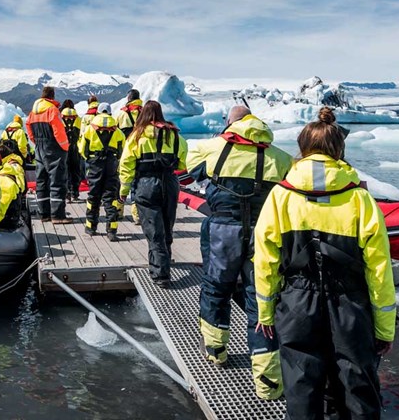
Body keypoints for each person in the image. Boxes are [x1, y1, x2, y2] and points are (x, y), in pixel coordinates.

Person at [254, 107, 396, 419]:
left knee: (302, 386)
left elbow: (265, 260)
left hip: (296, 303)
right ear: (339, 149)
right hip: (350, 306)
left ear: (302, 148)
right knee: (357, 387)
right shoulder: (360, 199)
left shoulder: (280, 196)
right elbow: (379, 269)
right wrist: (384, 329)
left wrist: (265, 313)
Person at [186, 106, 294, 400]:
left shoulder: (211, 147)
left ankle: (216, 350)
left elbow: (191, 171)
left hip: (222, 231)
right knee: (261, 302)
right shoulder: (281, 158)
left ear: (230, 124)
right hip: (264, 237)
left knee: (215, 289)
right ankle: (268, 382)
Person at [119, 100, 187, 286]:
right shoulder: (175, 135)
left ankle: (160, 275)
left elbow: (126, 164)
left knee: (153, 229)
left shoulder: (137, 135)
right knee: (167, 225)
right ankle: (165, 263)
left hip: (146, 184)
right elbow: (182, 162)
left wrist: (124, 190)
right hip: (169, 183)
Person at [78, 102, 125, 241]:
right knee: (111, 198)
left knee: (93, 197)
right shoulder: (118, 131)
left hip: (95, 165)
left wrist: (91, 159)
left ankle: (91, 227)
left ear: (97, 113)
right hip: (111, 165)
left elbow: (82, 149)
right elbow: (122, 151)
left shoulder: (89, 129)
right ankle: (111, 231)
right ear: (110, 113)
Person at [25, 86, 72, 223]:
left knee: (41, 181)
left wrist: (36, 143)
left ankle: (44, 213)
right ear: (52, 96)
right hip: (53, 148)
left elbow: (29, 129)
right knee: (57, 181)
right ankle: (57, 215)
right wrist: (65, 147)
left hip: (39, 148)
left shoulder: (32, 113)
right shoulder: (52, 110)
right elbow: (58, 131)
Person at [0, 147, 24, 231]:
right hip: (10, 213)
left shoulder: (3, 180)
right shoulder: (11, 168)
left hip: (6, 221)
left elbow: (1, 206)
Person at [61, 101, 83, 202]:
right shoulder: (78, 118)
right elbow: (82, 134)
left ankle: (66, 194)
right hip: (75, 148)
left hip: (64, 149)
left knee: (65, 171)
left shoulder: (60, 118)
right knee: (75, 171)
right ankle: (75, 193)